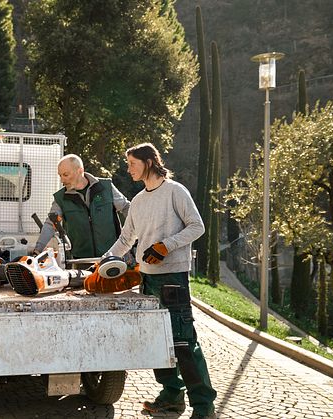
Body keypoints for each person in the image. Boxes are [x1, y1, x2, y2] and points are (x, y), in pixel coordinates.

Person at [104, 143, 217, 419]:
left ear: (149, 162)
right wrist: (104, 261)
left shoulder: (175, 191)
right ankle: (172, 394)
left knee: (184, 343)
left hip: (174, 279)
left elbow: (197, 226)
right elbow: (126, 239)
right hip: (147, 280)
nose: (128, 169)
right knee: (158, 341)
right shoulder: (139, 200)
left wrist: (166, 246)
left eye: (132, 163)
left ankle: (204, 407)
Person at [33, 154, 130, 258]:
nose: (62, 180)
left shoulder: (105, 187)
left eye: (65, 175)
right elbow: (50, 224)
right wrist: (37, 250)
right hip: (80, 261)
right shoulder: (61, 198)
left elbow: (126, 208)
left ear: (80, 171)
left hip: (111, 257)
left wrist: (131, 236)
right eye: (60, 175)